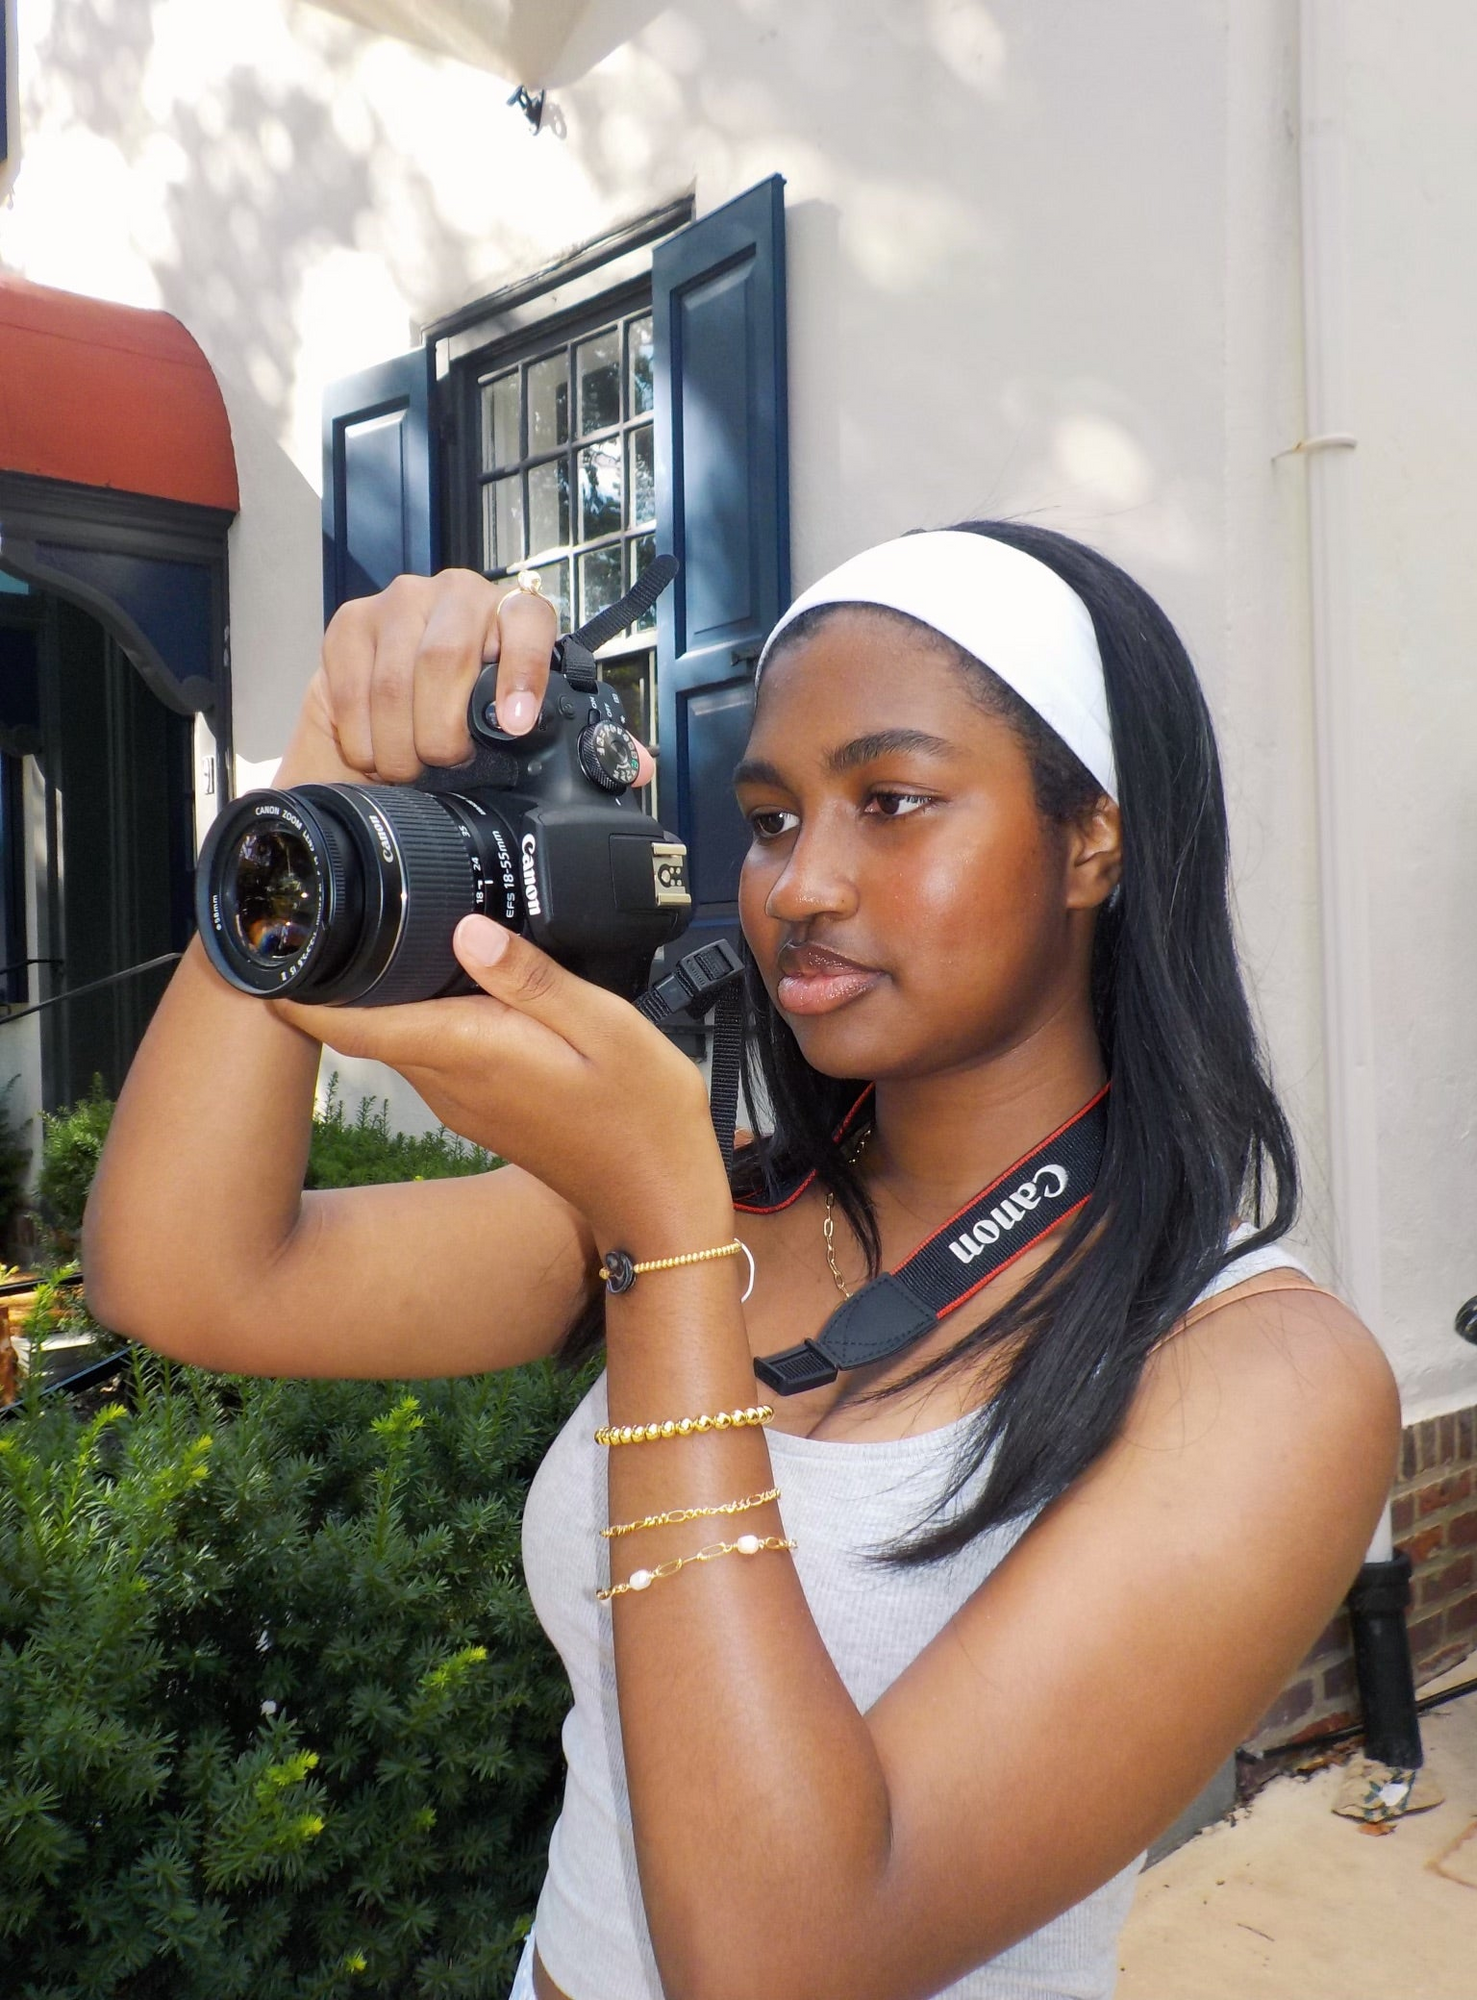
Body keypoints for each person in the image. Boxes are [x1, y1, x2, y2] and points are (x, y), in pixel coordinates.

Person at [84, 521, 1399, 2000]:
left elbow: (789, 1956)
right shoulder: (734, 1205)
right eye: (771, 820)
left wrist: (661, 1244)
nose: (801, 887)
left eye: (893, 802)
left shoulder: (1258, 1373)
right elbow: (183, 1271)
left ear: (1092, 839)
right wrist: (323, 783)